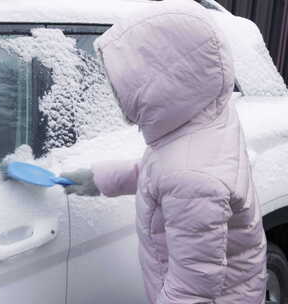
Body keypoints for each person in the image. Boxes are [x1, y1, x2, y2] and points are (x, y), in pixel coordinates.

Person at [62, 1, 267, 303]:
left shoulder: (192, 178)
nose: (116, 93)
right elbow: (164, 172)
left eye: (123, 82)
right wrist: (100, 179)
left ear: (162, 80)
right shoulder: (204, 117)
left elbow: (191, 292)